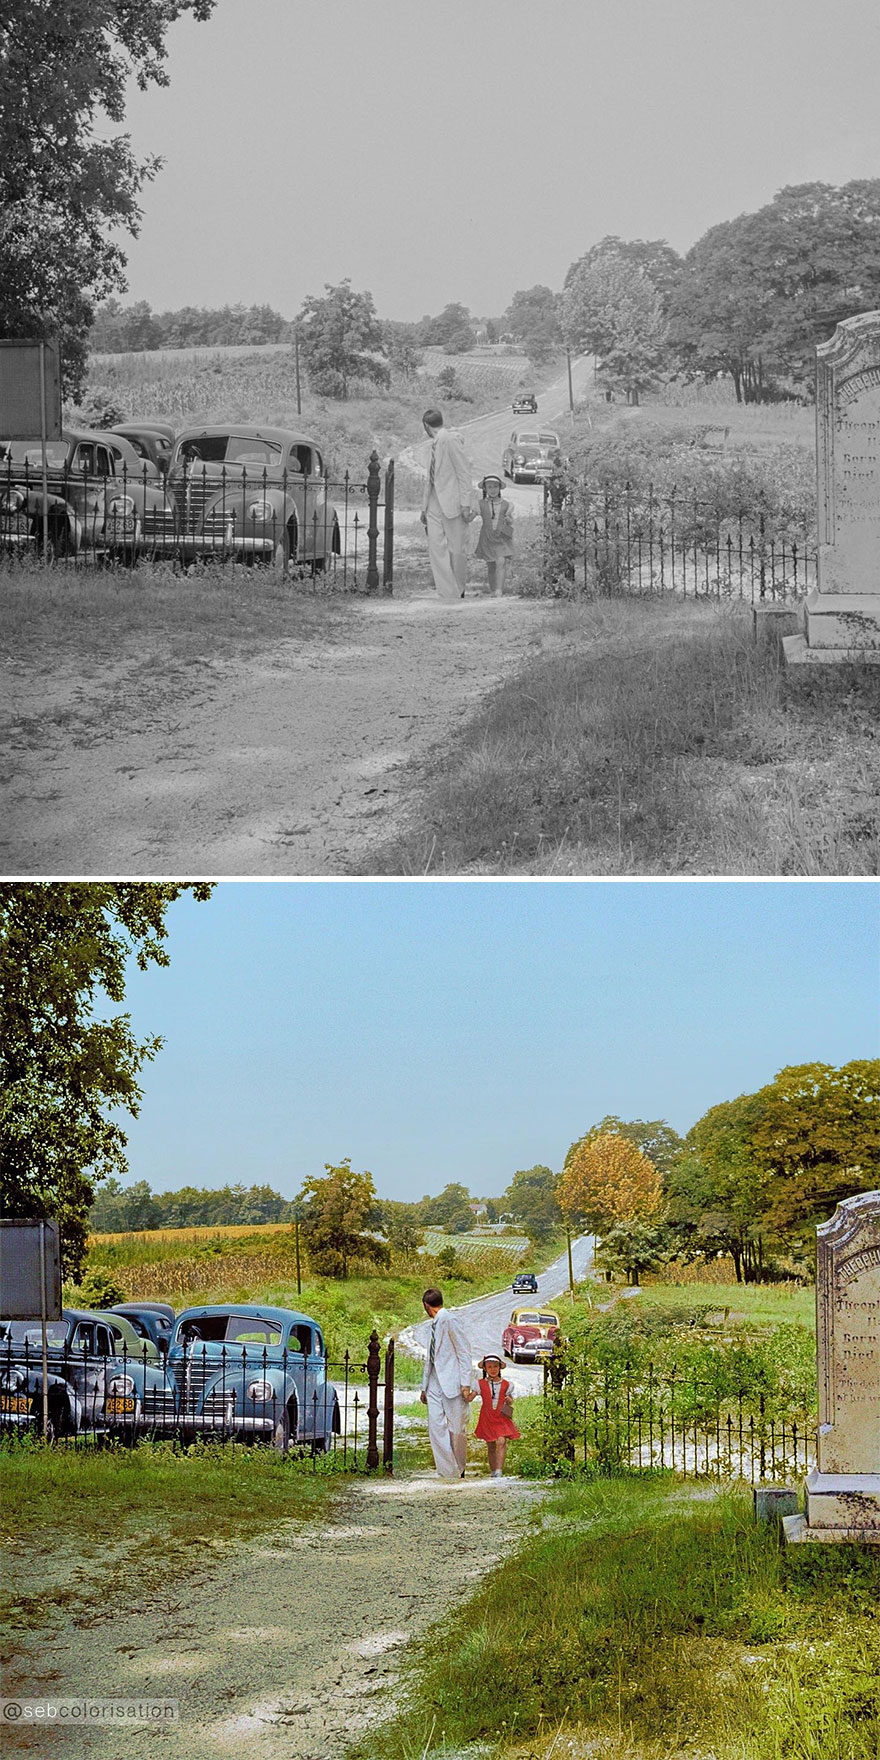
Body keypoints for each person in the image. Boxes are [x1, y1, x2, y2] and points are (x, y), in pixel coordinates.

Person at [419, 408, 476, 602]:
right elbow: (430, 478)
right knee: (436, 547)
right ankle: (446, 591)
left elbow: (464, 472)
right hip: (434, 502)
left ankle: (459, 587)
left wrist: (466, 503)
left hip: (453, 501)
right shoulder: (432, 445)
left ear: (426, 426)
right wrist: (424, 506)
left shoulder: (451, 440)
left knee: (456, 548)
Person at [419, 1287, 474, 1479]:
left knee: (456, 1429)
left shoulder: (450, 1320)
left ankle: (459, 1467)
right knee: (436, 1428)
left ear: (427, 1306)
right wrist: (424, 1387)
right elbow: (430, 1358)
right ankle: (447, 1471)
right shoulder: (432, 1325)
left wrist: (466, 1383)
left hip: (453, 1382)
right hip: (434, 1383)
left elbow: (463, 1351)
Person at [470, 1351, 520, 1478]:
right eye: (490, 1367)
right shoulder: (480, 1384)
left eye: (495, 1366)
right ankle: (493, 1471)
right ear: (485, 1369)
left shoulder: (506, 1384)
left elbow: (509, 1399)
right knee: (491, 1444)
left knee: (501, 1441)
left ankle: (499, 1471)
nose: (493, 1369)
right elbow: (470, 1397)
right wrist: (464, 1392)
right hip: (487, 1416)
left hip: (501, 1417)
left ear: (499, 1367)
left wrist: (509, 1400)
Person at [474, 475, 514, 597]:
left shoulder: (506, 504)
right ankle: (493, 589)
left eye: (495, 486)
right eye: (489, 487)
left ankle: (499, 590)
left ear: (500, 488)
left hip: (501, 536)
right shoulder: (480, 504)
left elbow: (511, 521)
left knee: (501, 562)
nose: (493, 490)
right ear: (485, 488)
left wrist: (509, 520)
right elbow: (471, 516)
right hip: (487, 537)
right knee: (491, 565)